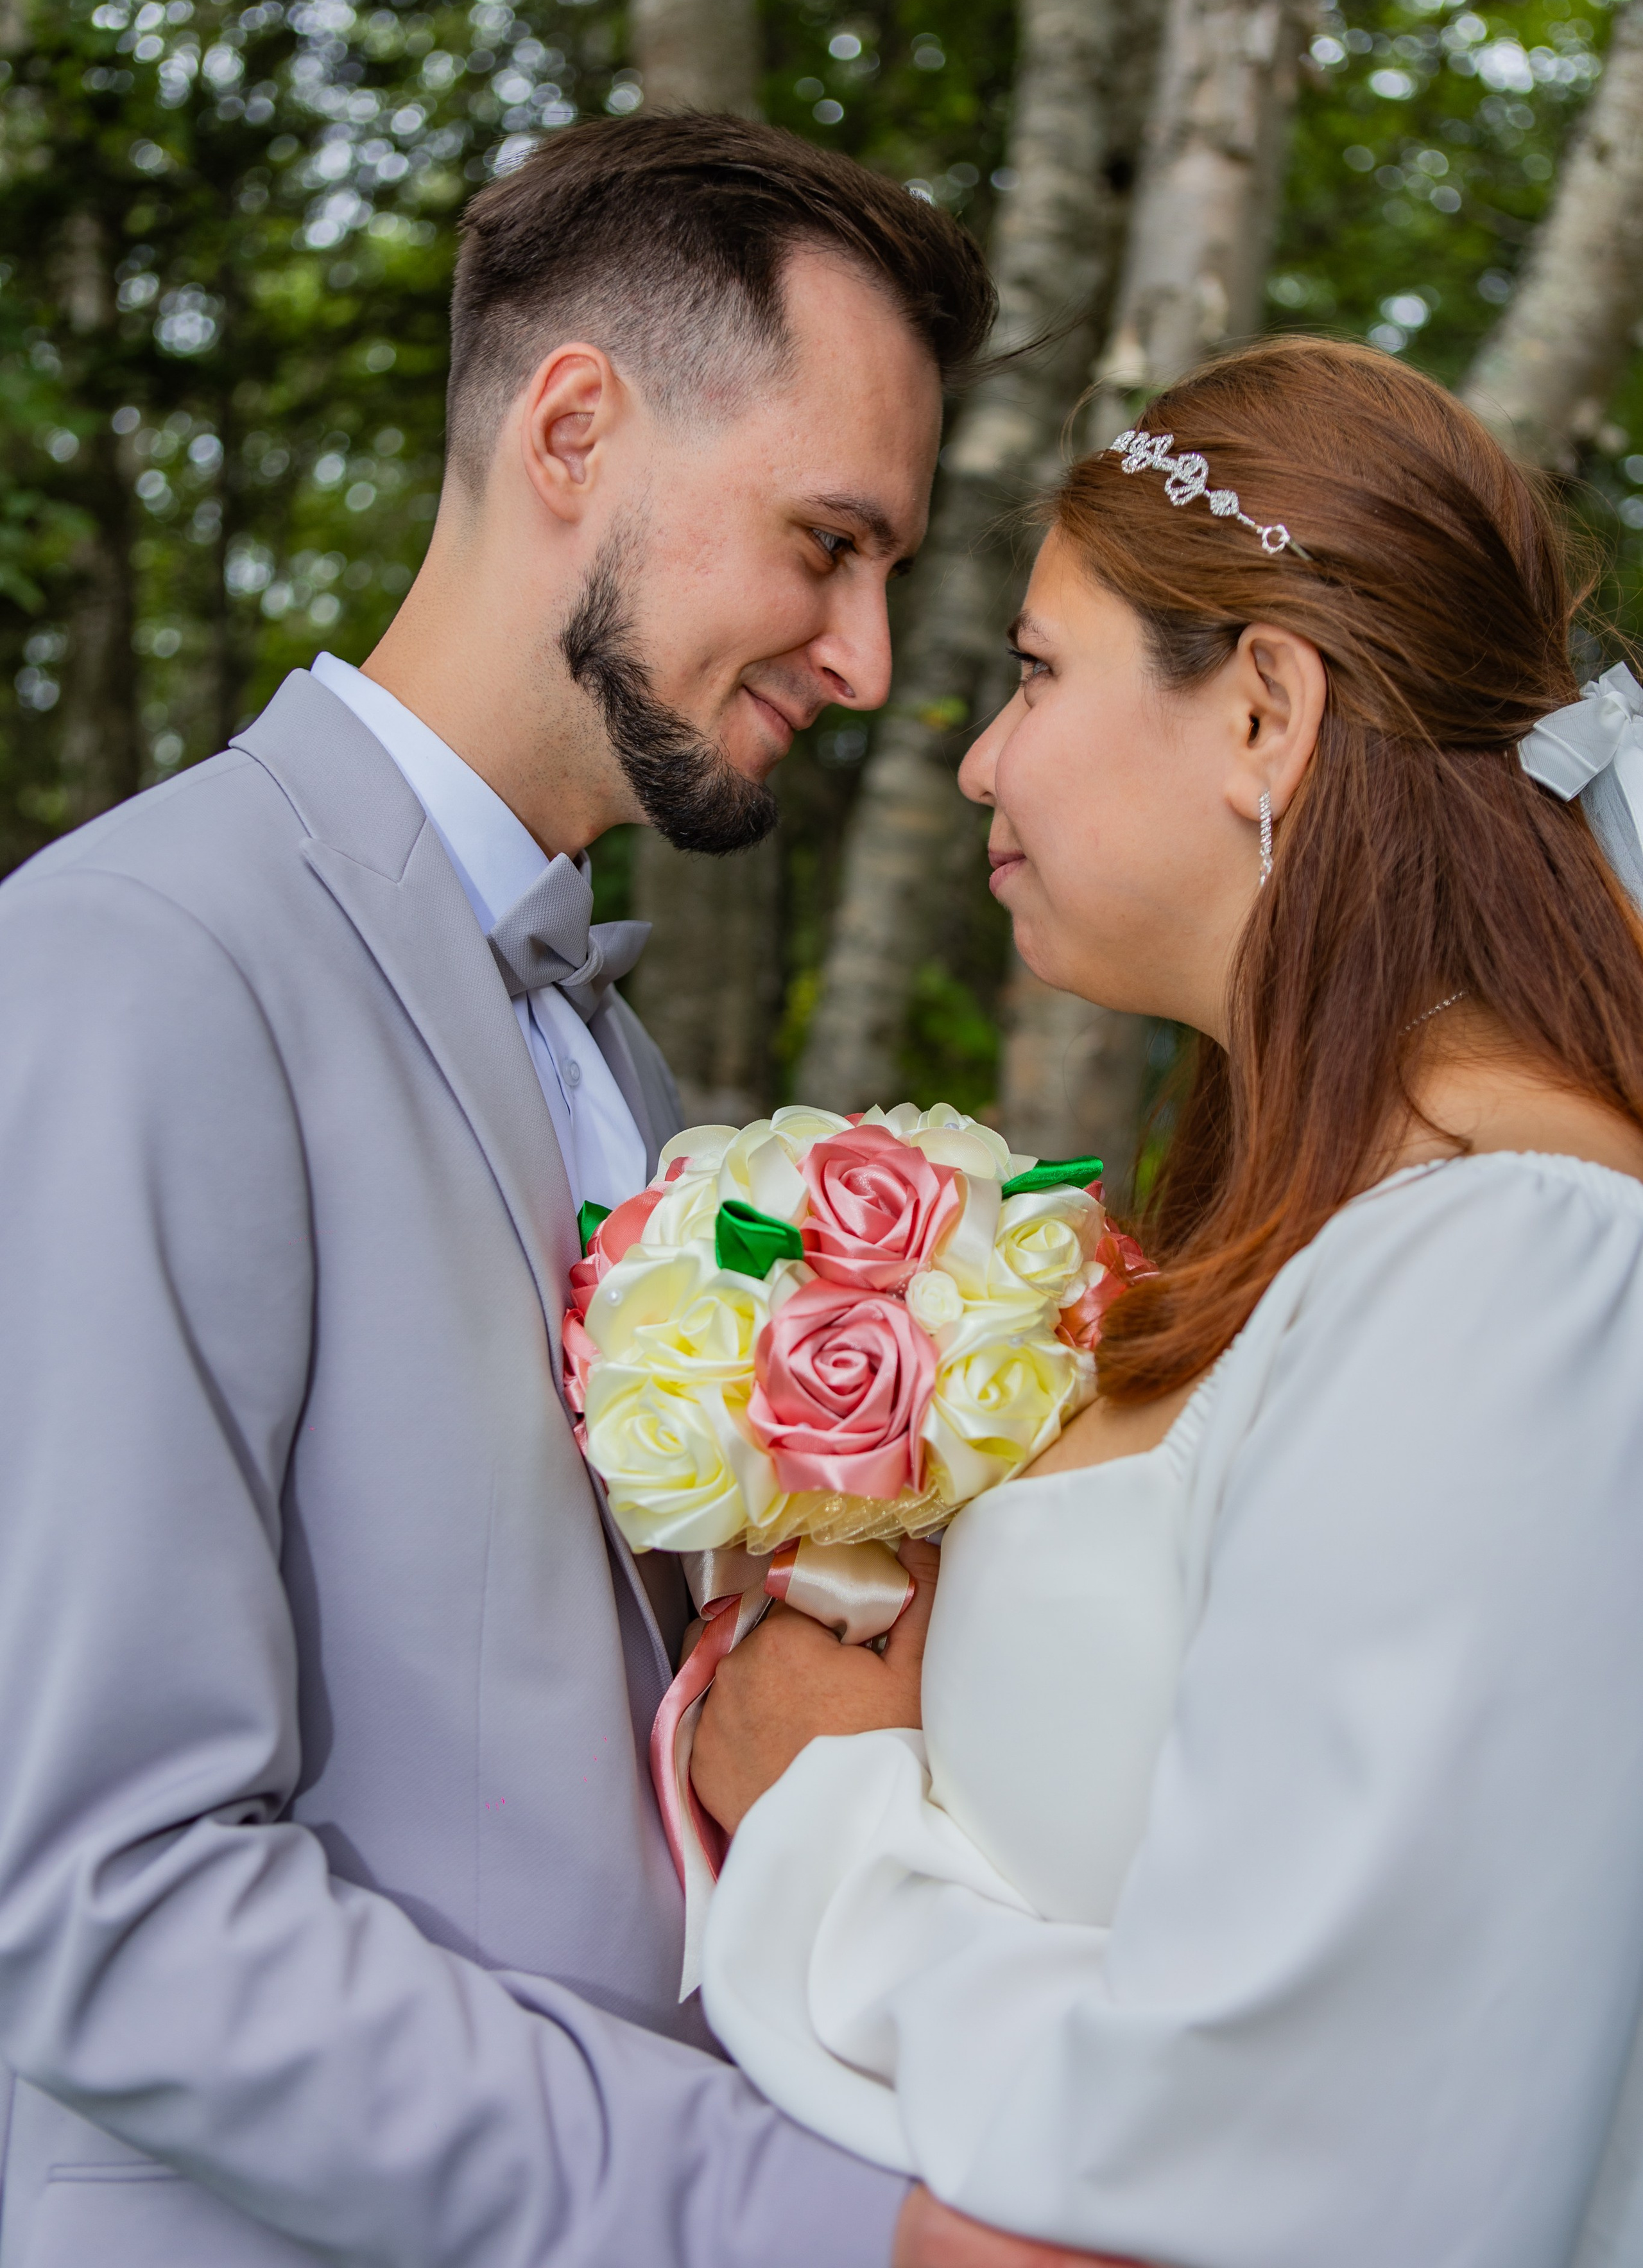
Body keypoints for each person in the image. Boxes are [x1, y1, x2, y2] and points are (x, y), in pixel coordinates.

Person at [0, 112, 1096, 2268]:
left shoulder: (615, 1054)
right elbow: (102, 1900)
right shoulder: (136, 963)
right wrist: (821, 2225)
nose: (866, 659)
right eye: (826, 543)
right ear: (574, 431)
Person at [691, 336, 1643, 2268]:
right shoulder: (1338, 1237)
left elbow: (1325, 2138)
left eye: (1039, 671)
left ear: (1264, 716)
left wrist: (820, 1822)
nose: (981, 756)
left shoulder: (1522, 1273)